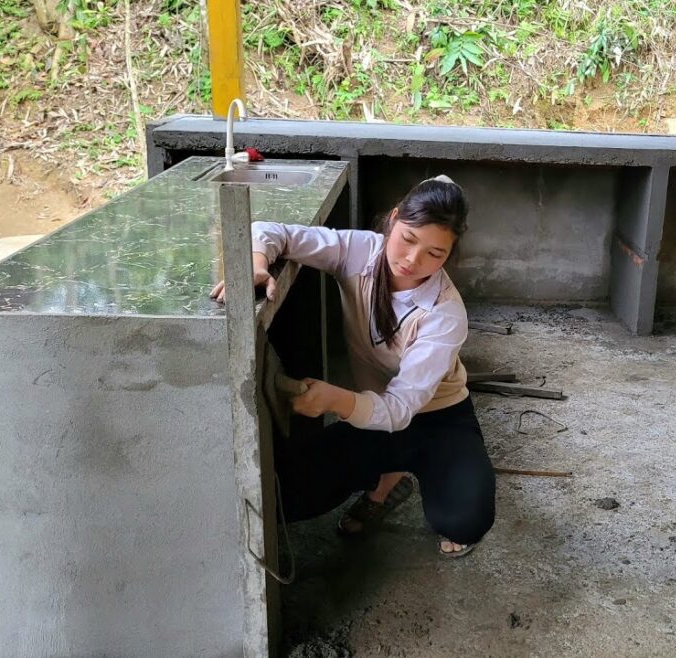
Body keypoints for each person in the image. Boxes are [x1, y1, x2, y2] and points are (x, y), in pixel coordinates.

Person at [210, 175, 494, 558]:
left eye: (435, 253)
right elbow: (271, 231)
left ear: (450, 254)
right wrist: (257, 264)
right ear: (393, 220)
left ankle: (409, 475)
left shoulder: (445, 313)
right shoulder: (360, 250)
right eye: (408, 239)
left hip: (438, 417)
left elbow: (400, 408)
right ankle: (386, 484)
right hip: (371, 414)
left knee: (465, 520)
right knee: (286, 496)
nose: (412, 261)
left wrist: (334, 400)